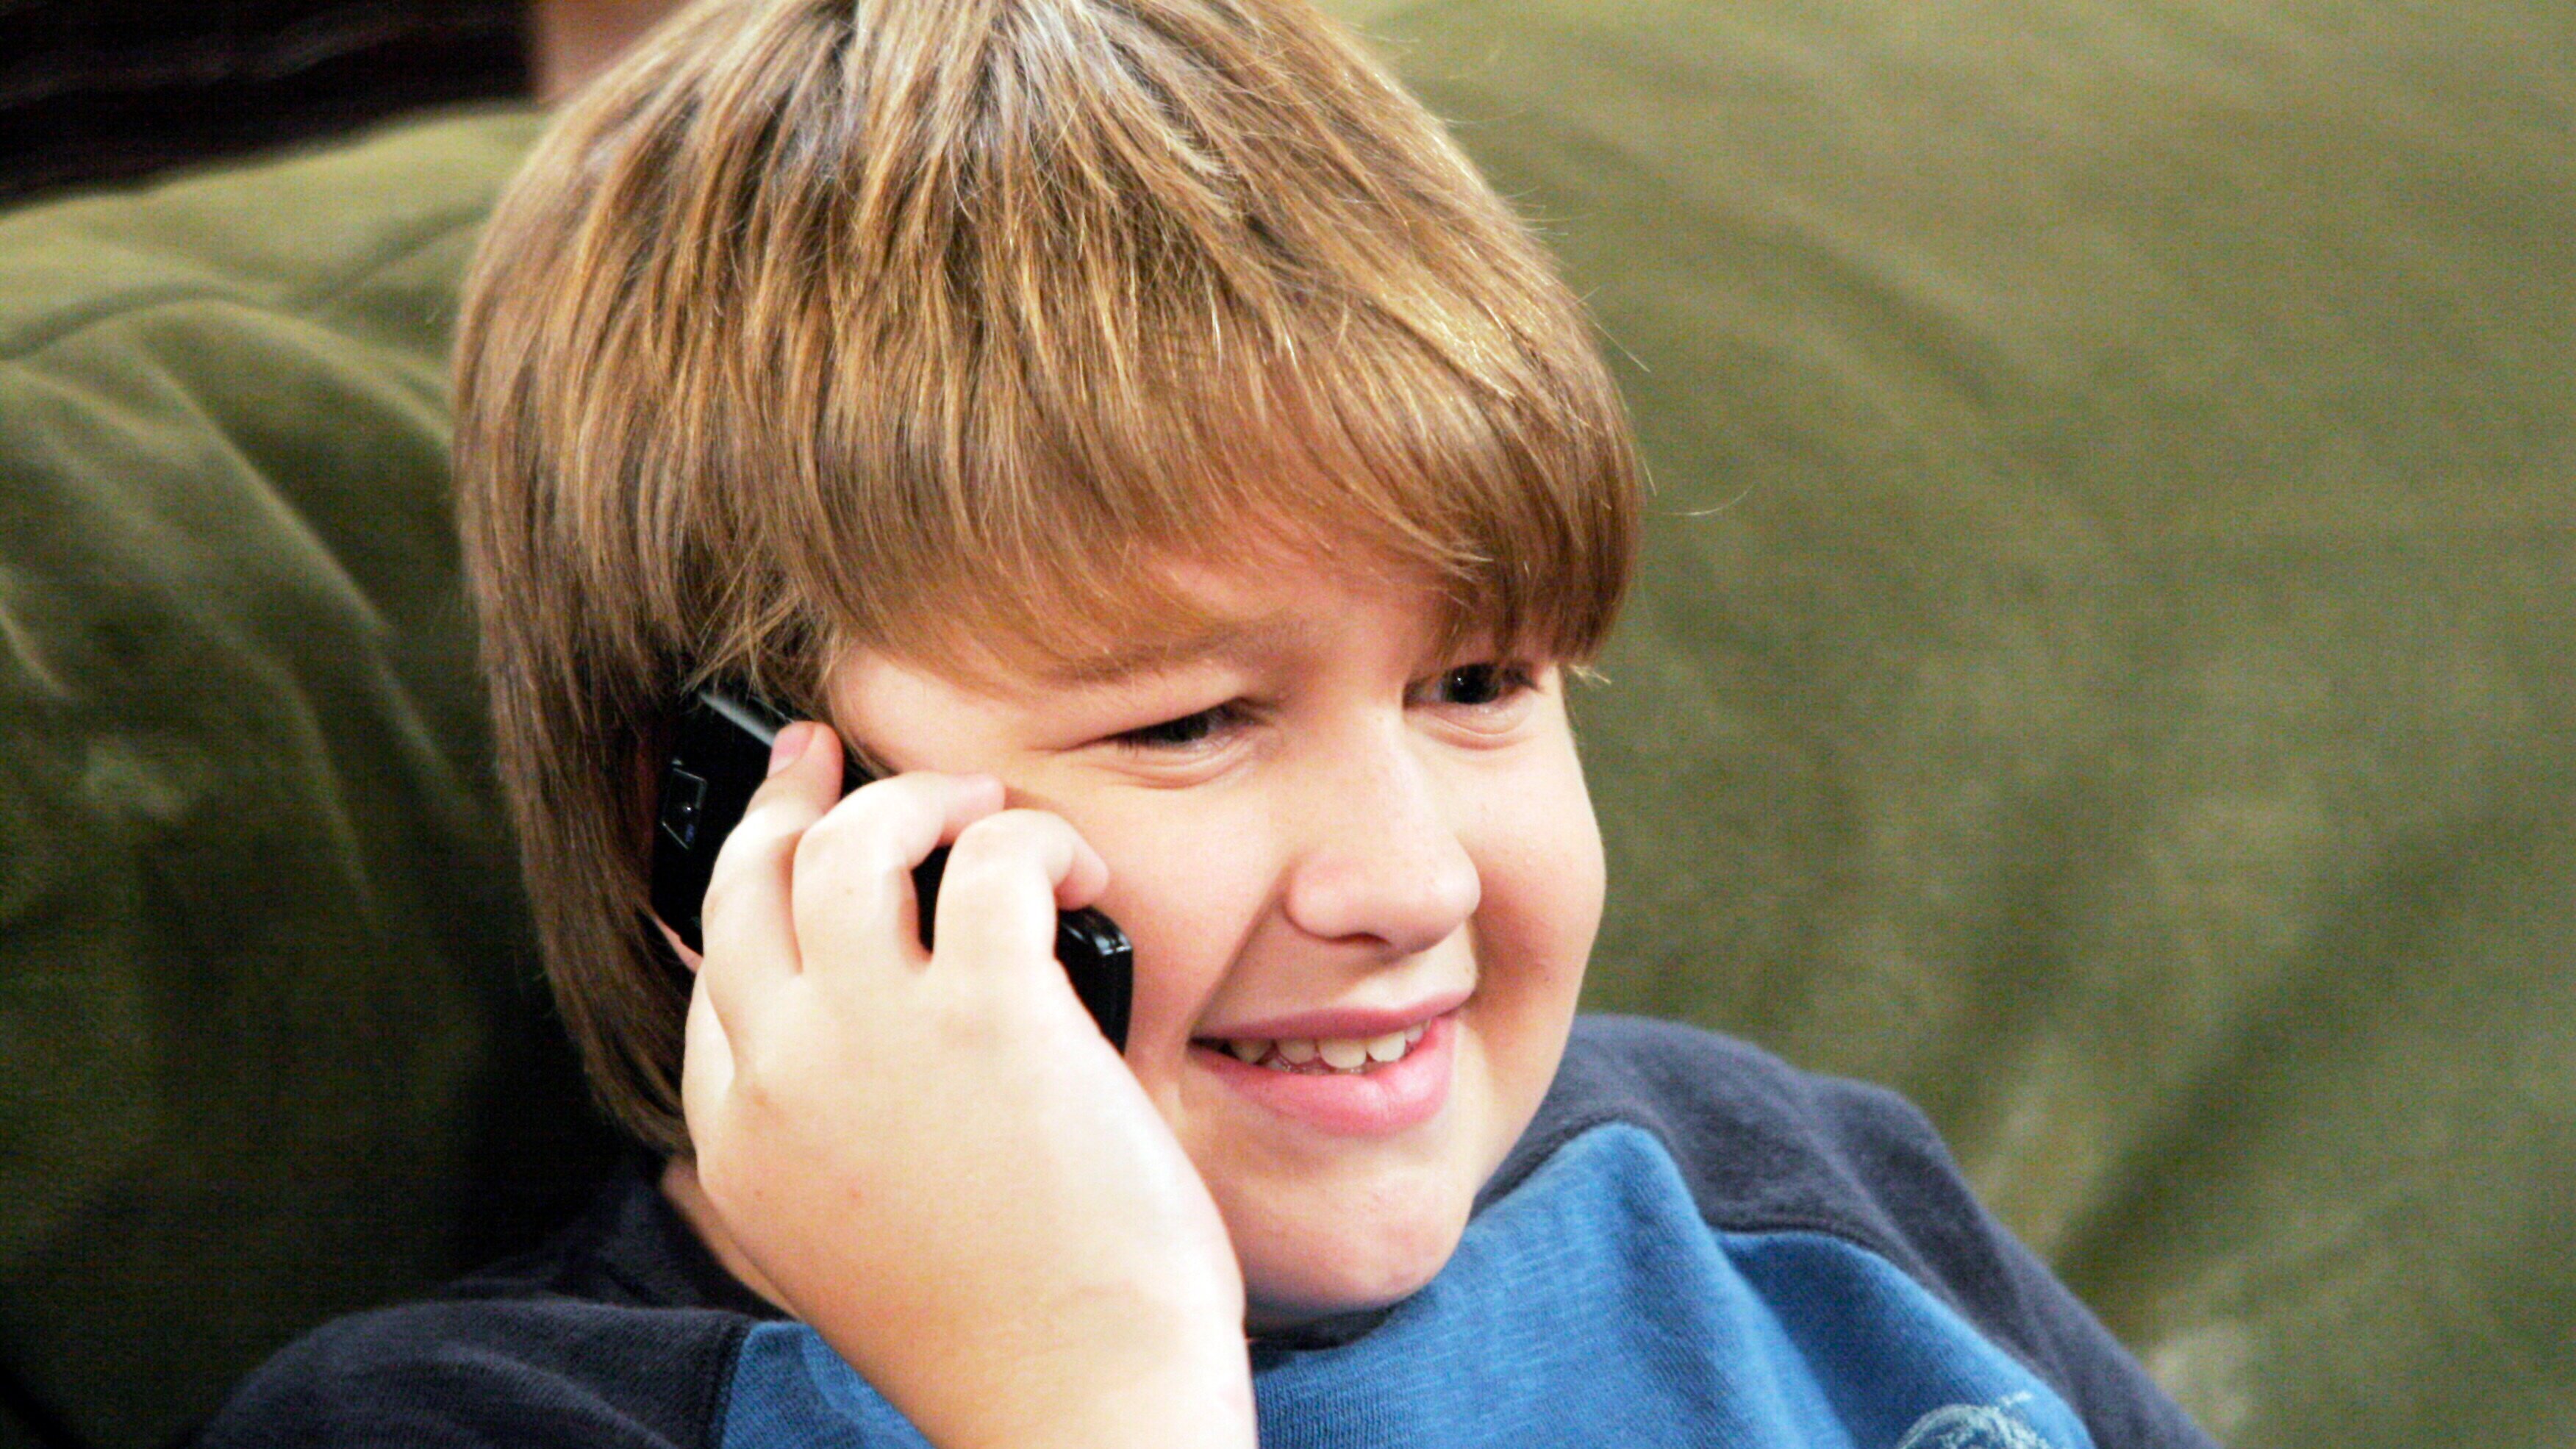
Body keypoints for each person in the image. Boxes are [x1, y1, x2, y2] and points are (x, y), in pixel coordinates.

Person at [201, 0, 2216, 1443]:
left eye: (1477, 684)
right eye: (1192, 724)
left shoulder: (1796, 1206)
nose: (1410, 879)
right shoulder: (462, 1421)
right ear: (724, 824)